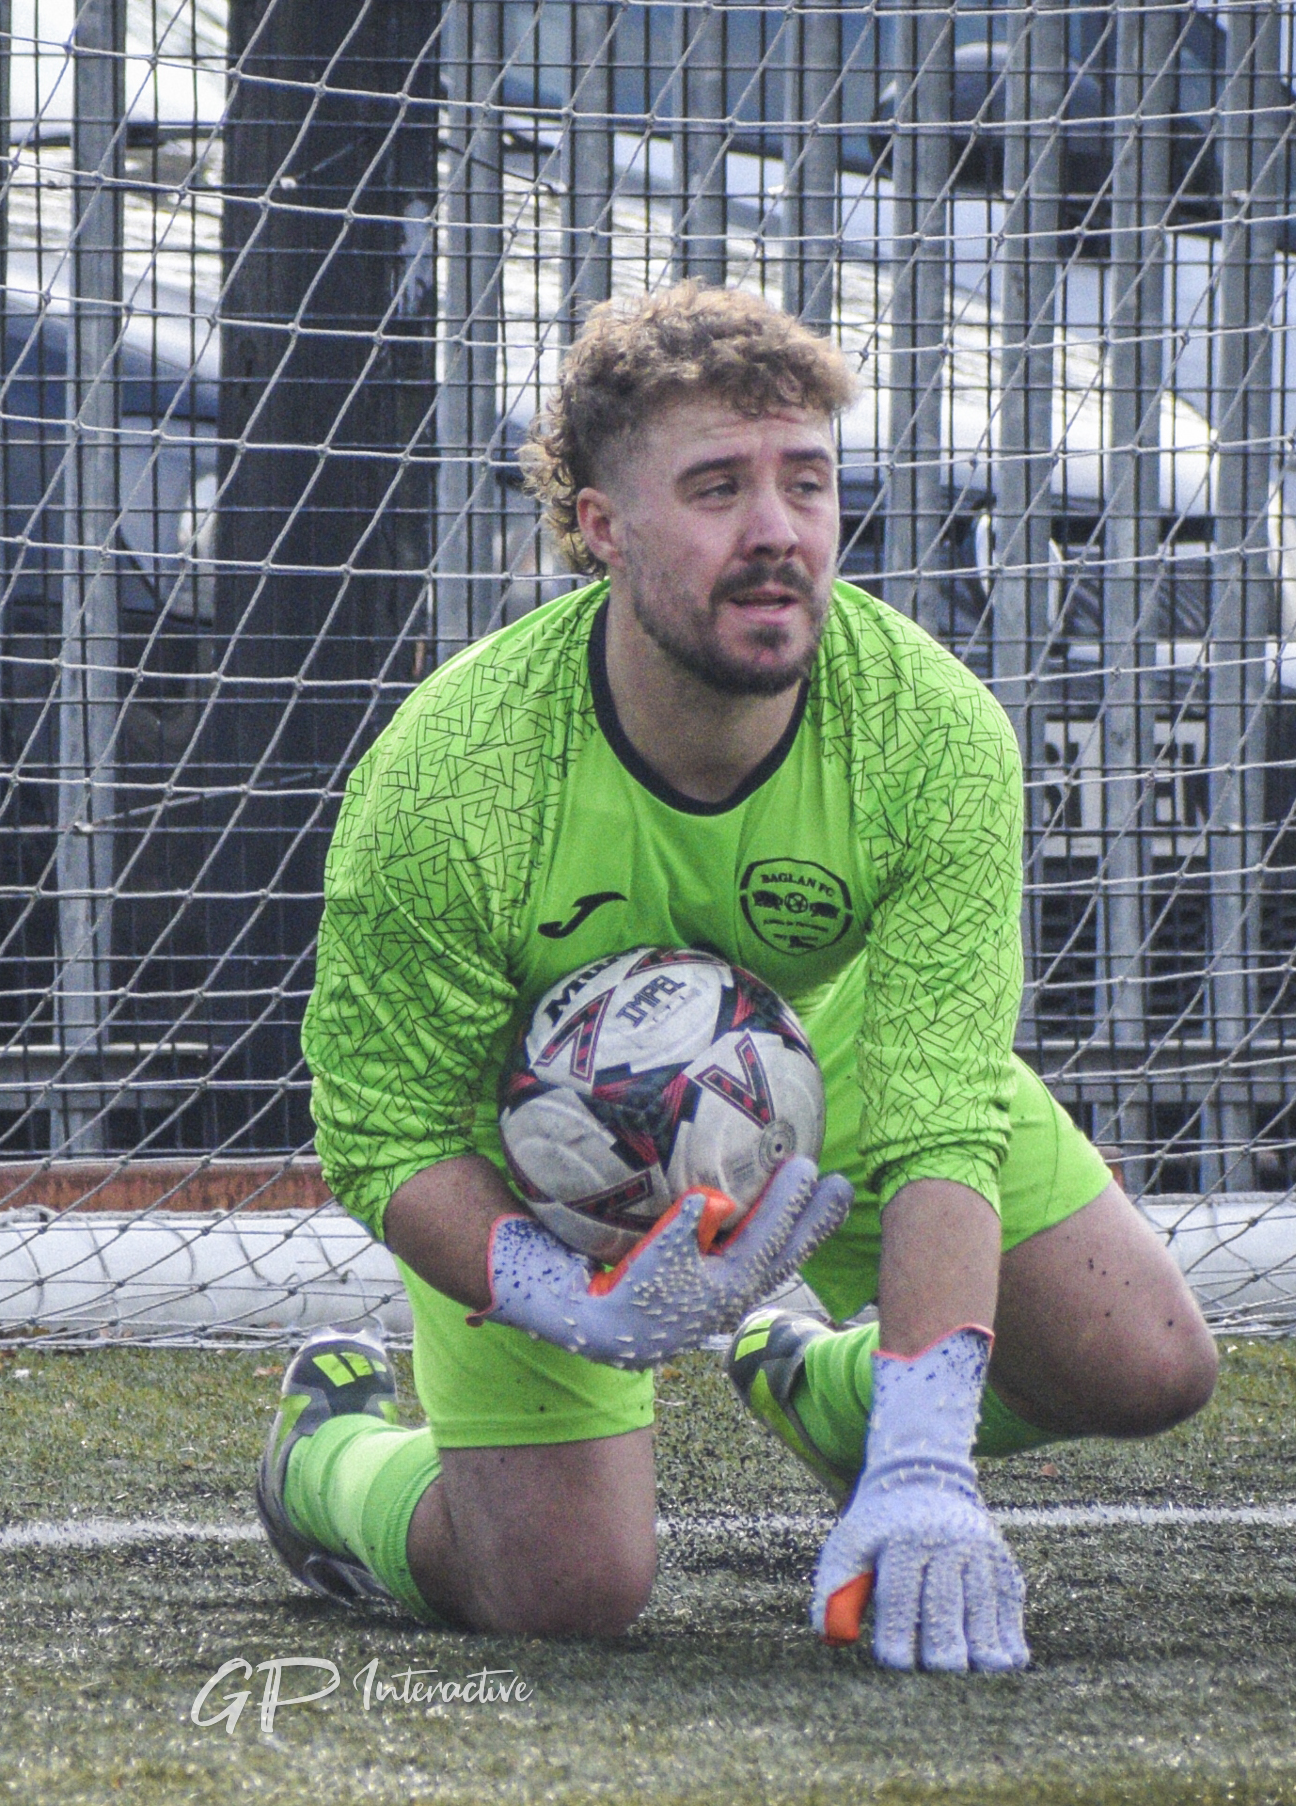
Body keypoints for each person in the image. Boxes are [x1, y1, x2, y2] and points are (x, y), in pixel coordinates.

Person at [256, 282, 1220, 1670]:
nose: (776, 532)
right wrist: (557, 1293)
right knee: (563, 1597)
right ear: (600, 526)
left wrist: (925, 1455)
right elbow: (382, 1132)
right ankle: (327, 1457)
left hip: (852, 1065)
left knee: (1148, 1361)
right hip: (534, 1154)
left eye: (807, 484)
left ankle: (836, 1405)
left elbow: (949, 1113)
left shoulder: (931, 733)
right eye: (715, 487)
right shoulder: (450, 775)